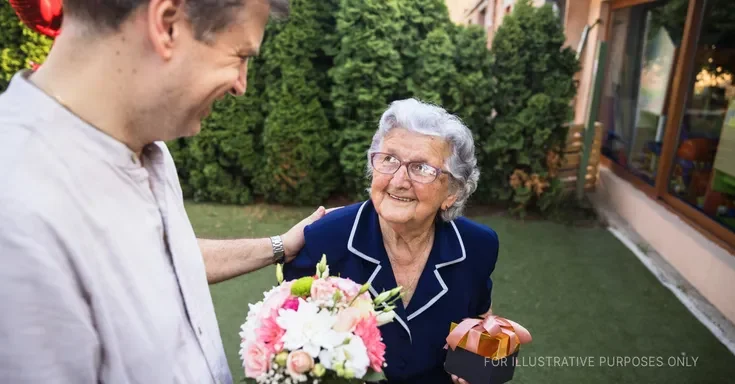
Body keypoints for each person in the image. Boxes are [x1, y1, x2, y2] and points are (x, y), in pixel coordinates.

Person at [0, 0, 332, 383]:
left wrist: (279, 245)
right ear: (168, 24)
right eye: (240, 55)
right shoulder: (18, 213)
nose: (242, 85)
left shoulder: (146, 146)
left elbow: (164, 256)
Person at [283, 98, 499, 384]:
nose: (398, 180)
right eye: (389, 159)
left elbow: (484, 324)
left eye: (422, 167)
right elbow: (283, 336)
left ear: (453, 192)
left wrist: (482, 361)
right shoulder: (327, 238)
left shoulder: (476, 245)